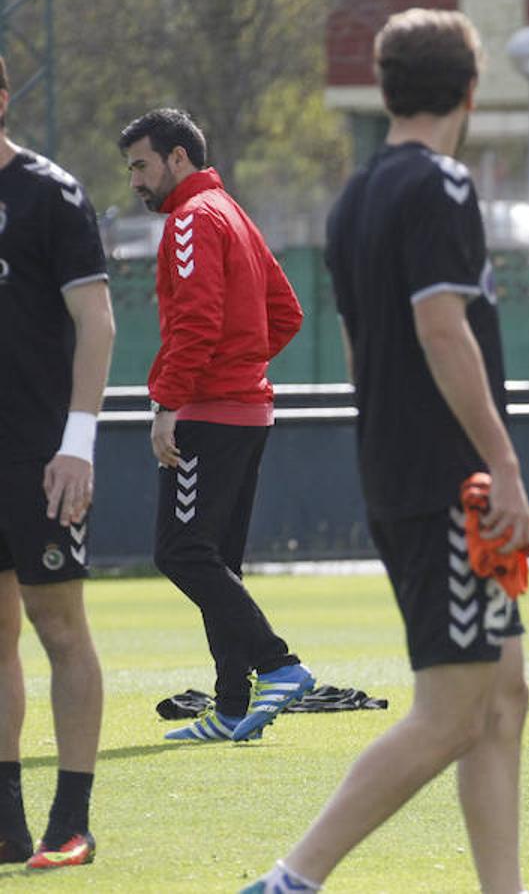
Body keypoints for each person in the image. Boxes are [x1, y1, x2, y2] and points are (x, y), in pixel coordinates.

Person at [242, 9, 529, 894]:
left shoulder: (357, 195)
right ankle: (293, 879)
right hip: (454, 482)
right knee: (452, 714)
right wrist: (505, 466)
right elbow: (442, 333)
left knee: (503, 697)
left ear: (385, 88)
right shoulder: (441, 186)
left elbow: (363, 349)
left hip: (410, 471)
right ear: (471, 91)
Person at [118, 109, 313, 743]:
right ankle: (233, 709)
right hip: (246, 411)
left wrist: (170, 403)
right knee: (216, 558)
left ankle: (278, 665)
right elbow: (285, 314)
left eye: (141, 166)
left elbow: (198, 323)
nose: (135, 182)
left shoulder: (190, 220)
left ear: (178, 159)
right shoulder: (232, 214)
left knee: (180, 552)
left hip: (208, 413)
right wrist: (240, 370)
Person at [0, 56, 114, 870]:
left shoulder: (50, 193)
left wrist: (77, 444)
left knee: (58, 627)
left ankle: (69, 823)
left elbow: (98, 323)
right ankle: (4, 825)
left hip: (39, 456)